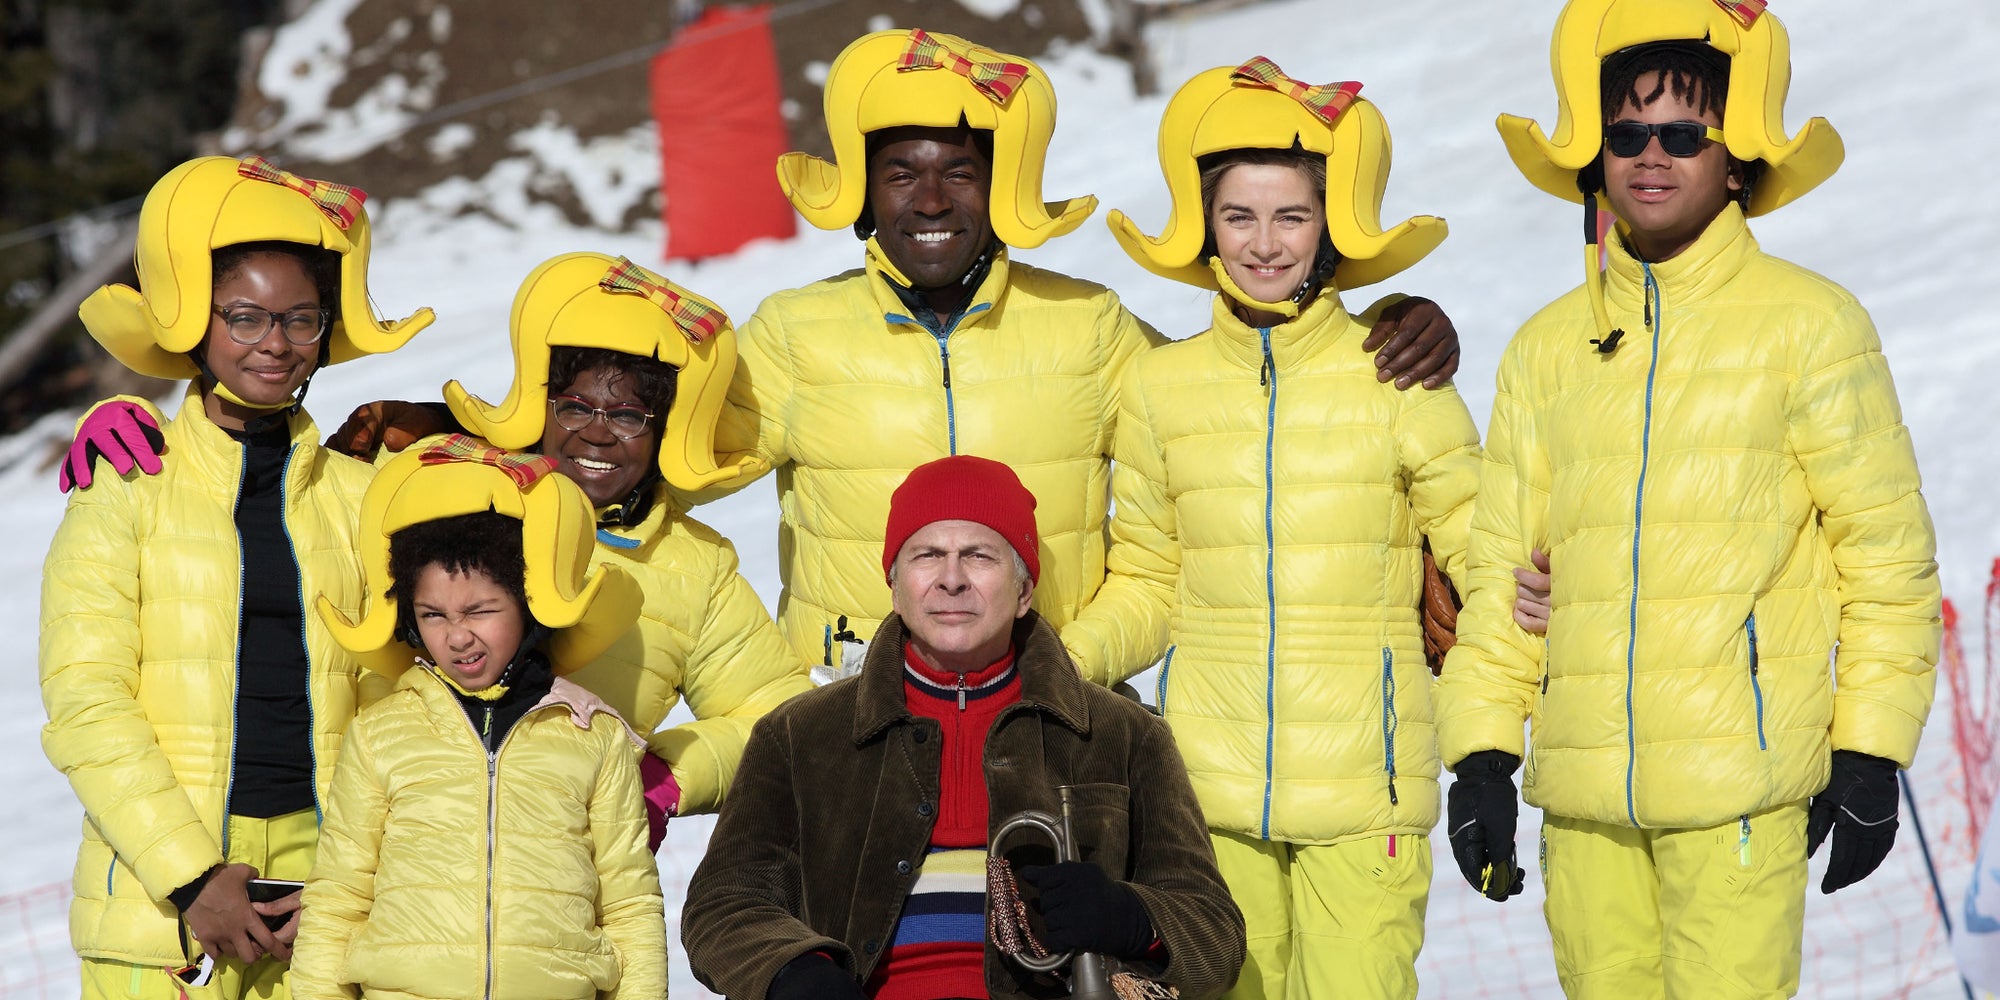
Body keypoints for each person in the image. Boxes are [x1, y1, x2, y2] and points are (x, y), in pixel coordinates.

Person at [1434, 2, 1941, 998]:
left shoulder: (1809, 324)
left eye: (1680, 133)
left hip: (1736, 798)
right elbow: (1504, 570)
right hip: (1582, 808)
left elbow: (1882, 555)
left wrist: (1868, 749)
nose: (1649, 156)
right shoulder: (1545, 348)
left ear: (1735, 156)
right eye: (1625, 134)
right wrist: (1482, 756)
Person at [684, 28, 1464, 673]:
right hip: (862, 730)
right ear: (863, 188)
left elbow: (1243, 395)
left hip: (1054, 727)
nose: (929, 200)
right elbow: (648, 474)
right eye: (900, 173)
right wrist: (776, 695)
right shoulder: (794, 335)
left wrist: (1385, 322)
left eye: (960, 171)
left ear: (1004, 184)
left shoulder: (1085, 327)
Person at [1060, 60, 1480, 1000]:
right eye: (1239, 216)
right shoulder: (1160, 390)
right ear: (1205, 223)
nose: (1264, 244)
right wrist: (1055, 664)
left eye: (1292, 215)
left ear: (1332, 224)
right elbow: (1150, 580)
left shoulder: (1399, 375)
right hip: (1210, 805)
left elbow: (1483, 564)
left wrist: (1484, 747)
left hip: (1366, 801)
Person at [39, 155, 431, 999]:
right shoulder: (128, 476)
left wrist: (349, 879)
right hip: (155, 915)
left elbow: (395, 701)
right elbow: (85, 701)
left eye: (300, 319)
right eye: (245, 317)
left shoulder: (361, 495)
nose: (275, 344)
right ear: (195, 321)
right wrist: (190, 879)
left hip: (320, 903)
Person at [682, 455, 1246, 1000]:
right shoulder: (799, 734)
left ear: (1024, 591)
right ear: (895, 584)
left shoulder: (1124, 735)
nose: (951, 580)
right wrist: (796, 971)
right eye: (927, 555)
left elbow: (1216, 934)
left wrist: (1134, 919)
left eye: (979, 556)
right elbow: (725, 903)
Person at [339, 252, 813, 836]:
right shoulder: (446, 506)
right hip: (408, 863)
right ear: (542, 407)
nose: (595, 431)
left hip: (569, 887)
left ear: (664, 429)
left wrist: (662, 777)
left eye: (629, 416)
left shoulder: (692, 566)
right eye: (575, 406)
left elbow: (784, 717)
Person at [291, 440, 664, 1000]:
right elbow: (339, 897)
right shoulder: (380, 735)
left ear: (528, 604)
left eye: (481, 611)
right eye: (433, 615)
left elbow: (629, 903)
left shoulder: (594, 737)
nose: (458, 636)